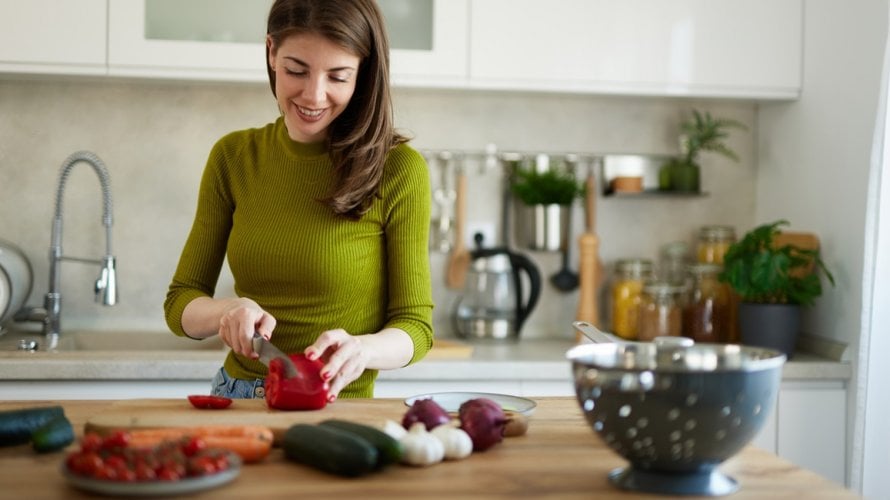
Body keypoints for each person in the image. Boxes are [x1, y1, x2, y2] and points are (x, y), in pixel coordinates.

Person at [164, 0, 433, 402]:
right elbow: (180, 302)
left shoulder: (398, 171)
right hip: (237, 396)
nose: (314, 95)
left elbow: (416, 327)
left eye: (338, 77)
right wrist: (225, 312)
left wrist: (364, 350)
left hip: (339, 408)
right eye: (296, 70)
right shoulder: (233, 157)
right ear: (271, 52)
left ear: (364, 72)